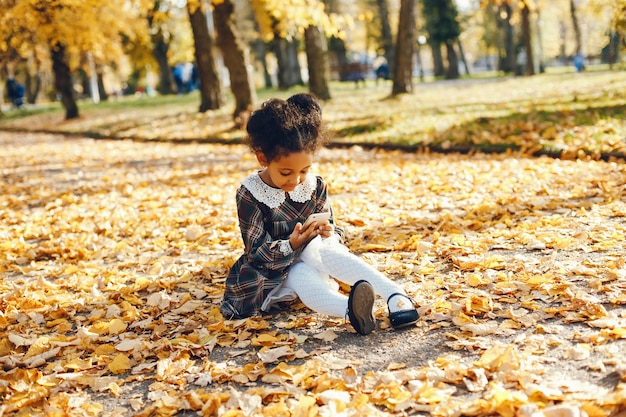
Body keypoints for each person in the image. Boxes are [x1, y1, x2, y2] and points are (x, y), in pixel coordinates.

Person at [220, 93, 419, 335]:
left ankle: (395, 295)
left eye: (304, 170)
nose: (295, 180)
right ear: (263, 158)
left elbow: (330, 223)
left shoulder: (314, 185)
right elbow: (256, 251)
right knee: (300, 274)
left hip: (316, 253)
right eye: (285, 172)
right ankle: (351, 311)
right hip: (275, 269)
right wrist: (291, 244)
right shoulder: (250, 193)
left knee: (325, 249)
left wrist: (328, 231)